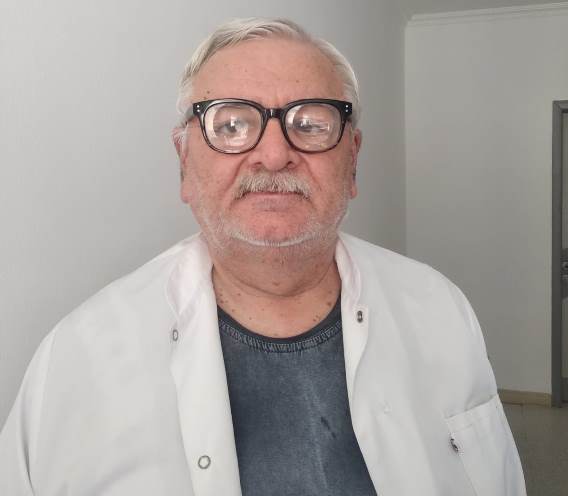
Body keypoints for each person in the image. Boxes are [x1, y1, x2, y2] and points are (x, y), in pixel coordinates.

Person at [0, 17, 526, 496]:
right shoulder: (76, 359)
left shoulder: (440, 308)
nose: (274, 155)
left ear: (353, 161)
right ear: (184, 163)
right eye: (230, 125)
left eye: (311, 124)